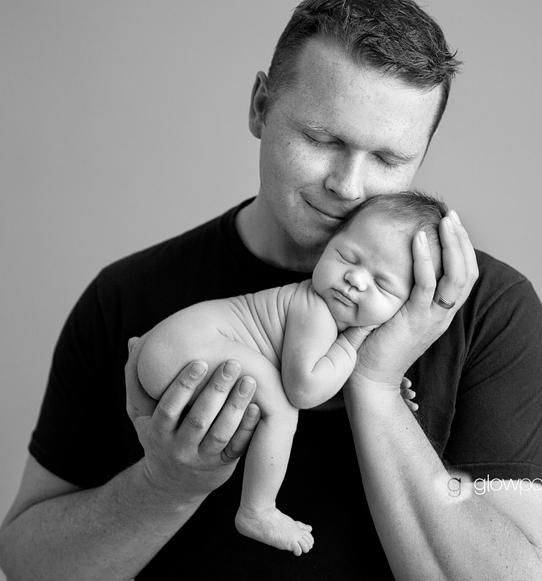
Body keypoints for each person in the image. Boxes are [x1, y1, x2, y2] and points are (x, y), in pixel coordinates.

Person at [0, 0, 542, 580]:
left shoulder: (489, 309)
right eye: (321, 139)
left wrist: (376, 384)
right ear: (261, 106)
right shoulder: (126, 294)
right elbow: (28, 563)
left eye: (390, 160)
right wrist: (165, 486)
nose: (349, 185)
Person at [134, 192, 445, 556]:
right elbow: (305, 391)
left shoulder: (322, 315)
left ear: (408, 304)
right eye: (347, 256)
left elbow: (307, 380)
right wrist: (354, 344)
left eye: (382, 283)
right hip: (184, 348)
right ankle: (257, 510)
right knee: (282, 408)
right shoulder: (314, 310)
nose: (356, 278)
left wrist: (366, 385)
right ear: (326, 247)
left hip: (174, 348)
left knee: (272, 391)